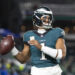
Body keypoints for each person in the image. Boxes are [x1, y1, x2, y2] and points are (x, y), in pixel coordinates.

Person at [10, 6, 66, 75]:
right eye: (45, 17)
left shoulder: (57, 32)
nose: (48, 20)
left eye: (49, 18)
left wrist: (41, 47)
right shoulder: (28, 35)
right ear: (37, 18)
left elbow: (61, 54)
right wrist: (12, 48)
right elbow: (22, 59)